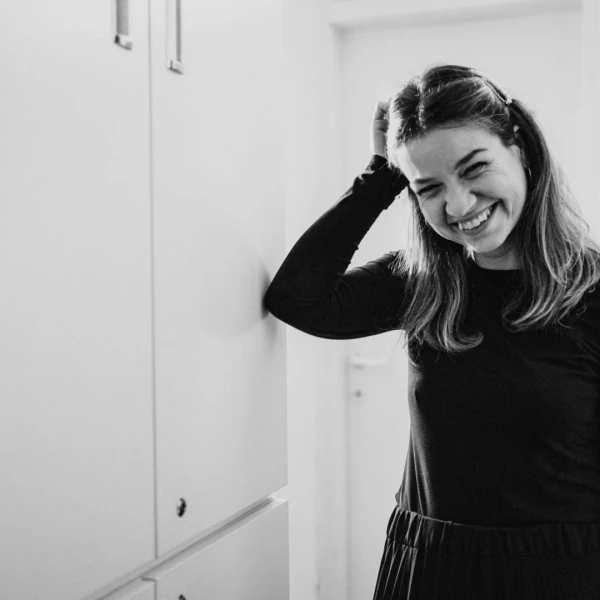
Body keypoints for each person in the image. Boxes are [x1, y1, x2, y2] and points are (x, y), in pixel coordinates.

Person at [263, 64, 600, 599]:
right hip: (429, 568)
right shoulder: (424, 282)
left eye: (474, 168)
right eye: (429, 187)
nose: (458, 205)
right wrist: (382, 174)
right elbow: (298, 299)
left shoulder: (591, 290)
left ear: (522, 150)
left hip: (562, 574)